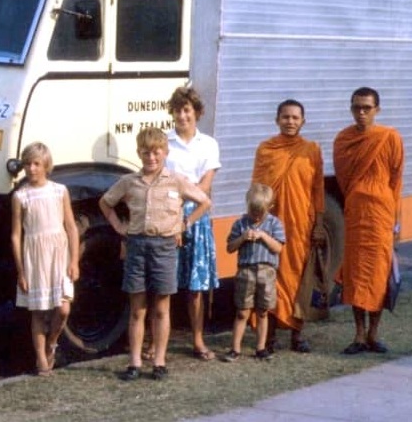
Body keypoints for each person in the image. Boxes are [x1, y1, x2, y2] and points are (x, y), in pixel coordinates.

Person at [99, 127, 211, 381]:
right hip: (137, 246)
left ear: (165, 152)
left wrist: (184, 224)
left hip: (165, 248)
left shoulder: (176, 180)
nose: (151, 157)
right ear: (139, 153)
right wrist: (119, 226)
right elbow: (105, 202)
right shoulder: (130, 182)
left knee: (161, 307)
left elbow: (205, 202)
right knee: (138, 309)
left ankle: (159, 360)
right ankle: (135, 361)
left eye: (156, 152)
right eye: (146, 152)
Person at [250, 99, 325, 354]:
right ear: (277, 120)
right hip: (271, 224)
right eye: (285, 117)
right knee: (269, 276)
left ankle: (297, 334)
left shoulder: (311, 150)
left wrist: (318, 224)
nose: (290, 121)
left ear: (303, 121)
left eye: (295, 117)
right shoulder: (266, 149)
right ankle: (268, 336)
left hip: (300, 224)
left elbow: (317, 190)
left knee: (298, 278)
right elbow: (257, 188)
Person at [333, 87, 404, 355]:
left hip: (381, 214)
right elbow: (343, 180)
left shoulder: (389, 137)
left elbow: (396, 180)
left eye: (366, 108)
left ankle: (373, 334)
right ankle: (359, 334)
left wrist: (397, 221)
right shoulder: (343, 139)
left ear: (377, 110)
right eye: (356, 108)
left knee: (378, 275)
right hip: (356, 213)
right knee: (356, 274)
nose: (361, 113)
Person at [11, 142, 80, 376]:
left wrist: (74, 261)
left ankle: (52, 341)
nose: (31, 169)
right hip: (35, 255)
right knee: (39, 311)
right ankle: (41, 357)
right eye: (28, 164)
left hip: (58, 253)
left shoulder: (59, 191)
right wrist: (21, 271)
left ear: (46, 165)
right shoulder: (21, 196)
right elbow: (15, 235)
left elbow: (71, 227)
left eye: (36, 164)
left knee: (63, 309)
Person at [163, 86, 221, 361]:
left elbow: (205, 187)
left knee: (196, 285)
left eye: (187, 110)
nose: (182, 115)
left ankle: (198, 340)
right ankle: (158, 341)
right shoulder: (164, 142)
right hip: (168, 215)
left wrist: (187, 216)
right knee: (164, 283)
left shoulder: (208, 144)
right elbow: (161, 181)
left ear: (196, 112)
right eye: (178, 110)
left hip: (197, 216)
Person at [221, 183, 285, 362]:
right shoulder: (240, 223)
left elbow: (278, 248)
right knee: (242, 311)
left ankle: (260, 348)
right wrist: (242, 238)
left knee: (263, 311)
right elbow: (229, 248)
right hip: (246, 271)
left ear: (269, 208)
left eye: (260, 213)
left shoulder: (274, 223)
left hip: (267, 271)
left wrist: (264, 236)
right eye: (252, 212)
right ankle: (235, 349)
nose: (256, 217)